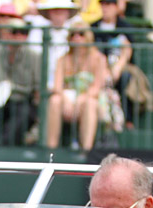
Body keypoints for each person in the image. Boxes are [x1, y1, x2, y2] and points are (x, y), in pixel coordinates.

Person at [0, 18, 41, 146]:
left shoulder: (34, 56)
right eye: (14, 32)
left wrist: (38, 118)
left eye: (23, 32)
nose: (19, 36)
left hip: (22, 100)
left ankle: (0, 148)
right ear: (6, 34)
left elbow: (38, 90)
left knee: (22, 116)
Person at [46, 20, 108, 151]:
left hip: (90, 100)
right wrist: (66, 100)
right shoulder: (63, 59)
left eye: (81, 34)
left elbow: (97, 87)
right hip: (67, 100)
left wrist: (82, 98)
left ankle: (86, 150)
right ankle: (50, 149)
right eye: (73, 34)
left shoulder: (99, 59)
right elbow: (57, 86)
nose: (77, 38)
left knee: (90, 103)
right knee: (54, 100)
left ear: (88, 37)